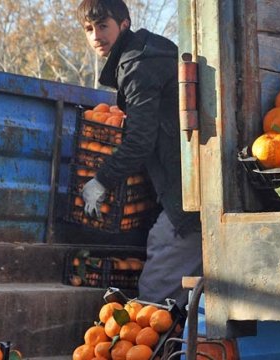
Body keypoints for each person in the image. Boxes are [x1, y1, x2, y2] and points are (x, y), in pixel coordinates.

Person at [78, 0, 203, 306]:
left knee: (155, 297)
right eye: (89, 29)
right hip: (197, 184)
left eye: (103, 26)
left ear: (124, 24)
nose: (96, 36)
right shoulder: (151, 52)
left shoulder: (137, 65)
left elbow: (140, 141)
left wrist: (100, 182)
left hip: (187, 194)